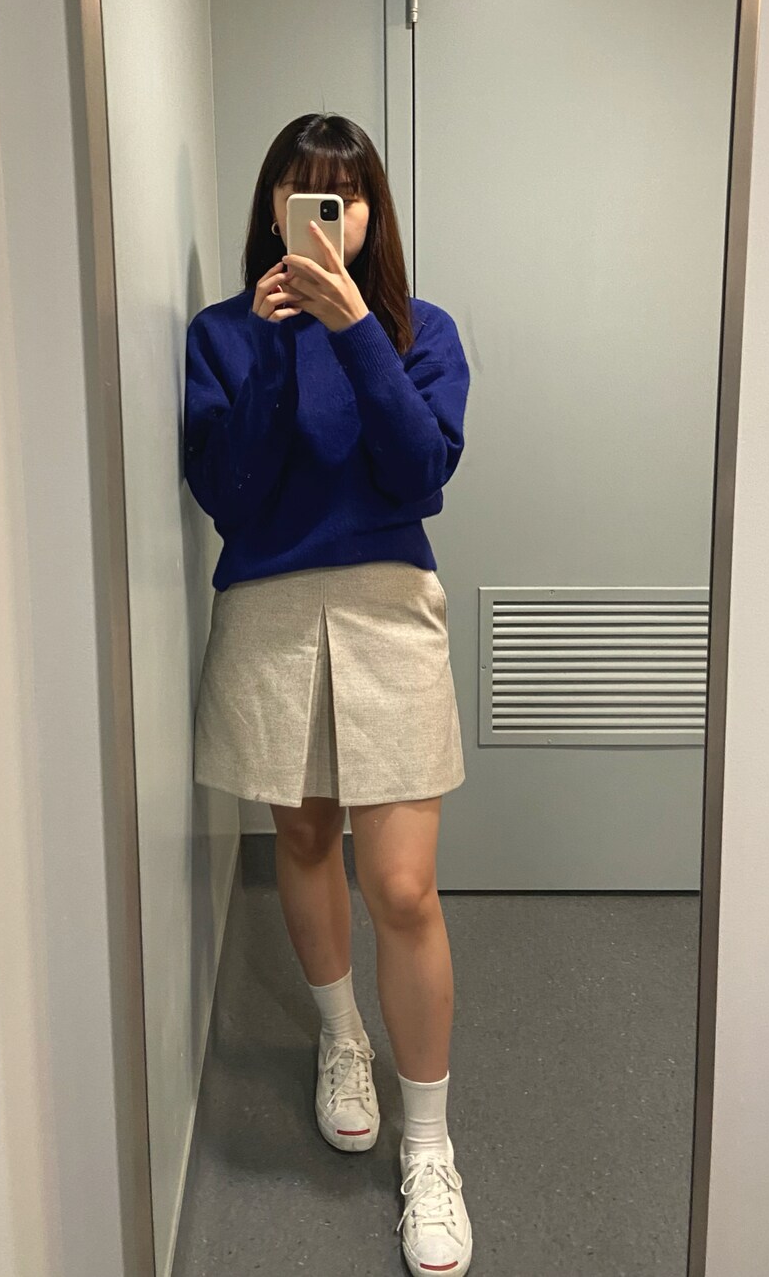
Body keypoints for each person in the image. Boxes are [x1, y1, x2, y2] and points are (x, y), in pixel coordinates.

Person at [182, 112, 473, 1276]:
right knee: (302, 835)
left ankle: (430, 1143)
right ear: (271, 209)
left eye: (343, 198)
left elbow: (419, 474)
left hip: (387, 609)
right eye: (302, 194)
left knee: (401, 885)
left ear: (369, 216)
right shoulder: (221, 334)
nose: (324, 215)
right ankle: (341, 1036)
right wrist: (267, 354)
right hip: (267, 609)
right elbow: (233, 495)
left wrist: (353, 331)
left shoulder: (417, 330)